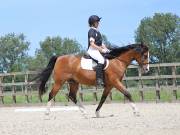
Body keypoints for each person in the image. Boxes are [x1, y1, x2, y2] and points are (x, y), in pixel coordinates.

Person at [87, 15, 110, 88]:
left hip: (97, 50)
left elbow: (101, 43)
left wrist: (106, 49)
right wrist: (101, 50)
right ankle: (99, 79)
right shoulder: (91, 31)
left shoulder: (97, 32)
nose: (98, 23)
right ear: (93, 23)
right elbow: (92, 44)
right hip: (92, 50)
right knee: (101, 60)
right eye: (97, 22)